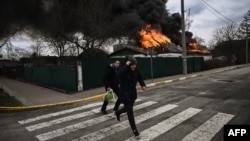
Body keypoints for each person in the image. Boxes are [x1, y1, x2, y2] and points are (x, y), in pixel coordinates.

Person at [115, 56, 146, 138]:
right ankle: (135, 132)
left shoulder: (136, 70)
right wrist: (126, 66)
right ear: (128, 64)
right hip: (125, 94)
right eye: (132, 65)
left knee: (128, 108)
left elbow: (140, 77)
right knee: (130, 112)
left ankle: (117, 112)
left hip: (132, 94)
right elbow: (118, 75)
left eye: (135, 65)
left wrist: (143, 85)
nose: (134, 66)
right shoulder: (124, 69)